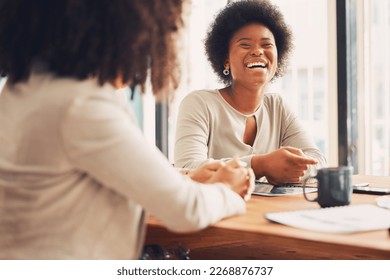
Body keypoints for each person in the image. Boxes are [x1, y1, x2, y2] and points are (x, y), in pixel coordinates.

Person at [0, 0, 255, 259]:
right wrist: (228, 188)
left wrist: (186, 178)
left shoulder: (24, 87)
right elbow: (186, 210)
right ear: (123, 30)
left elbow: (92, 171)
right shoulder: (81, 104)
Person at [174, 0, 327, 185]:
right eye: (245, 45)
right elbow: (189, 170)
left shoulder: (277, 107)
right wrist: (260, 165)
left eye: (266, 44)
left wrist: (289, 169)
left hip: (264, 211)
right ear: (225, 60)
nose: (257, 51)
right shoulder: (199, 104)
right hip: (217, 212)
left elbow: (317, 161)